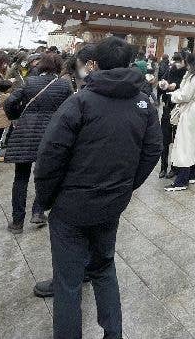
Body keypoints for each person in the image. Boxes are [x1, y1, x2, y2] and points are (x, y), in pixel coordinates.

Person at [34, 36, 161, 339]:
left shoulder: (80, 102)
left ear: (96, 64)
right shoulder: (144, 104)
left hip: (71, 207)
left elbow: (50, 155)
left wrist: (48, 198)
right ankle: (113, 333)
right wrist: (127, 186)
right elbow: (152, 150)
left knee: (68, 281)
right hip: (110, 204)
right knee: (104, 267)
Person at [2, 51, 72, 232]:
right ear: (59, 67)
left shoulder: (29, 83)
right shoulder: (64, 85)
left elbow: (9, 102)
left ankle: (17, 222)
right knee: (45, 175)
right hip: (51, 132)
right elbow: (70, 109)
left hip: (26, 130)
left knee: (21, 177)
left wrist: (15, 118)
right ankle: (38, 212)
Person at [164, 55, 195, 192]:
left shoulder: (194, 77)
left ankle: (181, 180)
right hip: (194, 111)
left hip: (189, 111)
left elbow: (185, 96)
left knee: (184, 144)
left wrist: (173, 96)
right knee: (193, 143)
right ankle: (192, 174)